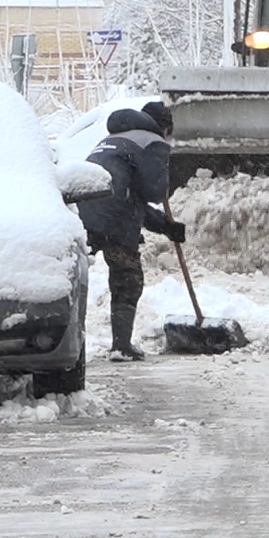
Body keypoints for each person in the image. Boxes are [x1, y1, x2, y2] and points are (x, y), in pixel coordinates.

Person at [76, 107, 183, 361]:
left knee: (76, 277)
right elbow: (155, 193)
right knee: (127, 279)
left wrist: (165, 226)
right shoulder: (152, 141)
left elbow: (129, 196)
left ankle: (69, 342)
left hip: (84, 209)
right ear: (165, 128)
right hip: (116, 218)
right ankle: (121, 346)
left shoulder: (111, 140)